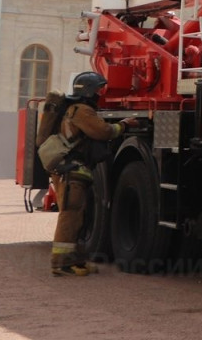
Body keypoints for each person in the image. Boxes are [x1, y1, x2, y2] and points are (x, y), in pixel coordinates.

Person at [48, 72, 136, 277]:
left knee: (78, 217)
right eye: (97, 89)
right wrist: (124, 125)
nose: (100, 93)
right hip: (72, 172)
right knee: (70, 216)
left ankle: (75, 260)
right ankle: (61, 264)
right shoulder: (82, 111)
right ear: (88, 90)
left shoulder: (75, 109)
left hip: (72, 170)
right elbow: (103, 131)